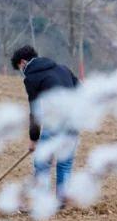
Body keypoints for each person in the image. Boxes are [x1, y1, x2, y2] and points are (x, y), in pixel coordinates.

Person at [10, 45, 80, 201]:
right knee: (65, 163)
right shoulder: (63, 68)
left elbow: (35, 112)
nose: (21, 71)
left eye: (19, 68)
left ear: (22, 63)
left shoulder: (31, 78)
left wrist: (33, 139)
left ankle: (42, 201)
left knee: (42, 161)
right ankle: (61, 202)